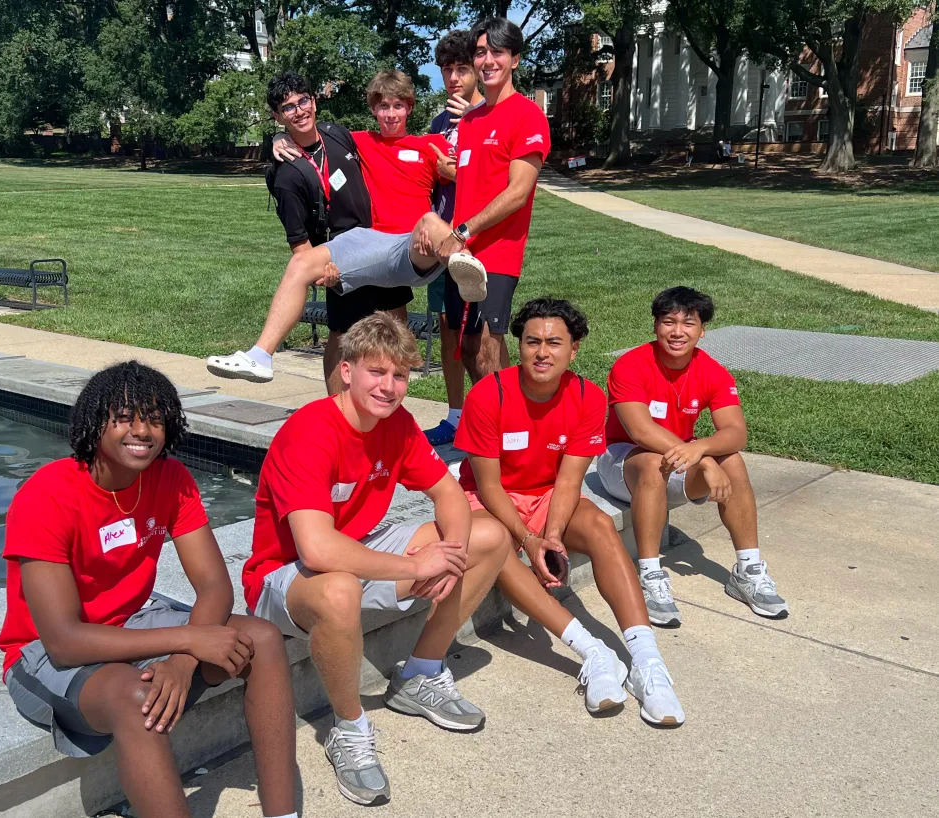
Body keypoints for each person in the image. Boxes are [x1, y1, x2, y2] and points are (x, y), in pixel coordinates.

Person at [0, 362, 298, 818]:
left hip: (132, 620)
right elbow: (63, 640)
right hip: (41, 653)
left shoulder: (170, 478)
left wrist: (182, 662)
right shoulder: (47, 495)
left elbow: (214, 584)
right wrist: (188, 639)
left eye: (155, 419)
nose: (142, 431)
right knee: (137, 699)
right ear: (95, 422)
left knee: (263, 639)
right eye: (124, 417)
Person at [242, 312, 509, 806]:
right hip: (285, 577)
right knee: (339, 587)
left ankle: (420, 673)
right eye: (377, 372)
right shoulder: (311, 432)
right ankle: (349, 727)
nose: (389, 387)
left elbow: (449, 494)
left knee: (489, 535)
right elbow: (317, 549)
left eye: (400, 375)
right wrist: (416, 567)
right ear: (346, 371)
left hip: (359, 549)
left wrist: (450, 558)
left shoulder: (397, 424)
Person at [454, 298, 685, 726]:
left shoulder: (587, 396)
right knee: (496, 544)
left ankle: (647, 662)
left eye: (554, 343)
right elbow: (488, 486)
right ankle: (592, 651)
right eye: (532, 342)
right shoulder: (489, 393)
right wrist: (529, 539)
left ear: (573, 350)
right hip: (491, 497)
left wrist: (554, 536)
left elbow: (567, 481)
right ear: (519, 346)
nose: (542, 352)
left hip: (548, 493)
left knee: (599, 525)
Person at [207, 70, 487, 387]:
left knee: (429, 225)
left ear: (410, 107)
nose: (390, 114)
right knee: (306, 271)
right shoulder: (359, 141)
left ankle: (465, 270)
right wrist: (279, 137)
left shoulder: (431, 145)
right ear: (373, 109)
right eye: (383, 107)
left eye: (398, 106)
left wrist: (462, 157)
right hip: (367, 243)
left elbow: (481, 177)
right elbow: (310, 137)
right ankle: (260, 356)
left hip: (413, 247)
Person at [598, 286, 789, 627]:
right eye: (668, 322)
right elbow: (640, 431)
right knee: (652, 462)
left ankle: (748, 571)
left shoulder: (712, 371)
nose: (677, 332)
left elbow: (736, 432)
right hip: (621, 461)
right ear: (655, 326)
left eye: (688, 323)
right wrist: (703, 460)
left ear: (702, 331)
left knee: (732, 460)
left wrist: (701, 449)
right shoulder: (630, 365)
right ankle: (649, 574)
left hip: (679, 458)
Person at [241, 71, 412, 394]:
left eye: (303, 101)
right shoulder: (288, 176)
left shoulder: (337, 134)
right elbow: (300, 247)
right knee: (343, 336)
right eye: (288, 107)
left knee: (396, 330)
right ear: (278, 116)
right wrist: (324, 272)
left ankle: (390, 407)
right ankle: (337, 411)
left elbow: (386, 142)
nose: (299, 111)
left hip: (381, 240)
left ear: (315, 102)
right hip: (342, 257)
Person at [431, 17, 550, 387]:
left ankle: (509, 421)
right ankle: (499, 415)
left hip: (496, 254)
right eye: (481, 52)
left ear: (515, 59)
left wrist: (463, 232)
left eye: (497, 52)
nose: (488, 60)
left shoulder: (528, 115)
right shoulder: (470, 122)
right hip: (461, 253)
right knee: (467, 348)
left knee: (485, 346)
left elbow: (518, 192)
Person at [424, 29, 486, 447]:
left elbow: (501, 182)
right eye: (447, 69)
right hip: (443, 245)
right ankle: (454, 416)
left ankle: (496, 418)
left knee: (481, 339)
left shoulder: (489, 116)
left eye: (462, 68)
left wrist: (455, 170)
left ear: (477, 70)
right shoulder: (439, 121)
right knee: (448, 328)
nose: (453, 78)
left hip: (478, 243)